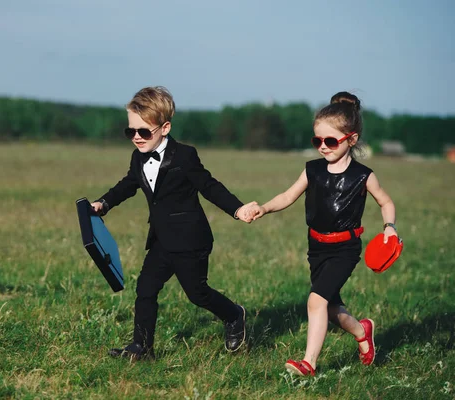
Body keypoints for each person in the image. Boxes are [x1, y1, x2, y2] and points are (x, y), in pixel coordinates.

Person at [91, 86, 255, 360]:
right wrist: (104, 203)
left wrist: (237, 209)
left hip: (191, 240)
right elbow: (129, 184)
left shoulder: (185, 156)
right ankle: (141, 348)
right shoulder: (138, 156)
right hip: (161, 241)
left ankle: (234, 314)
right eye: (130, 131)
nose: (136, 137)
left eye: (143, 131)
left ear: (164, 128)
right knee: (145, 289)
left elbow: (209, 186)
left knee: (197, 293)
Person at [245, 92, 398, 376]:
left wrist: (389, 227)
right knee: (330, 308)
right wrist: (264, 208)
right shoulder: (312, 170)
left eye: (331, 141)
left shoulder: (364, 176)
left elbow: (386, 202)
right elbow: (288, 196)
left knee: (316, 300)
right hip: (316, 247)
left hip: (345, 250)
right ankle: (362, 330)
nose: (323, 147)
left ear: (351, 139)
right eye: (318, 141)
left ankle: (309, 363)